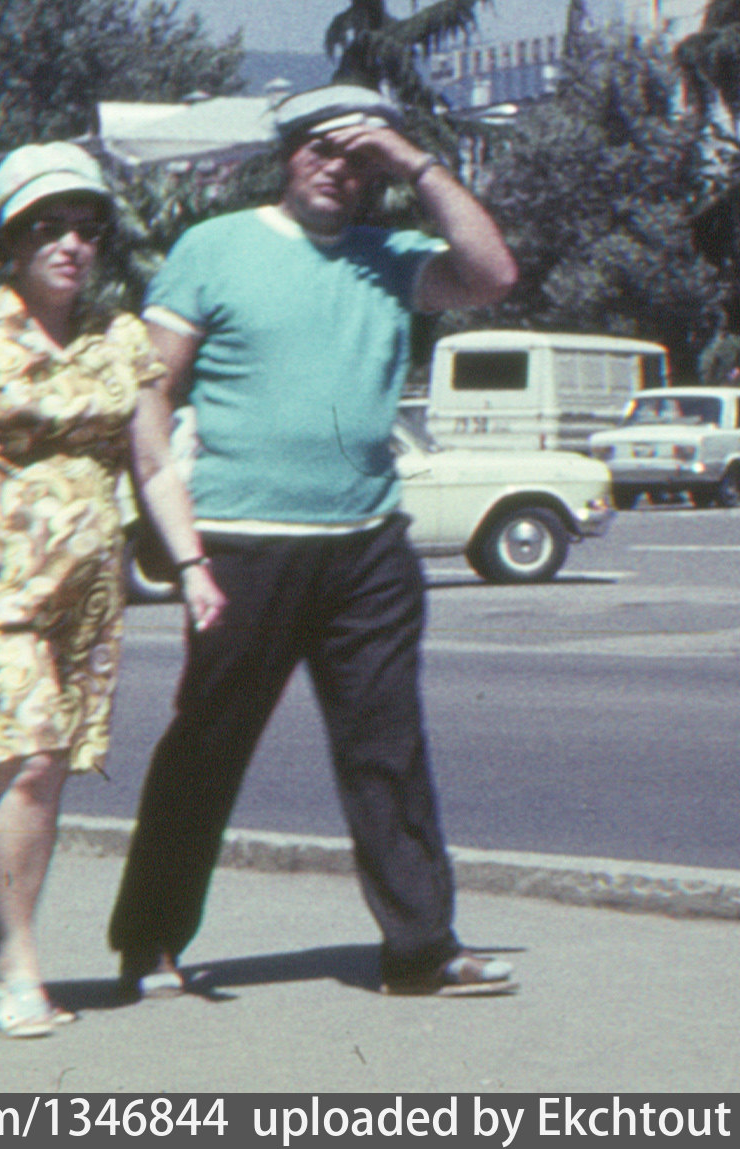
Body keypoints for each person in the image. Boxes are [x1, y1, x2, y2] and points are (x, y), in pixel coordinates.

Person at [104, 83, 521, 1003]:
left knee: (388, 747)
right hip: (242, 543)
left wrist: (413, 161)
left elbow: (493, 275)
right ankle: (151, 940)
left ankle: (421, 949)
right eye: (320, 149)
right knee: (207, 744)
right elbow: (149, 388)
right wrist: (178, 537)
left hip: (366, 547)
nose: (339, 169)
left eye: (359, 156)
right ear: (286, 154)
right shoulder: (214, 246)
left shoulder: (391, 255)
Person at [0, 146, 220, 1040]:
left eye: (87, 226)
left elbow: (154, 467)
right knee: (33, 756)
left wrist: (191, 565)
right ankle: (16, 972)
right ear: (11, 238)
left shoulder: (122, 341)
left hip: (87, 594)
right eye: (49, 226)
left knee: (38, 773)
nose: (72, 243)